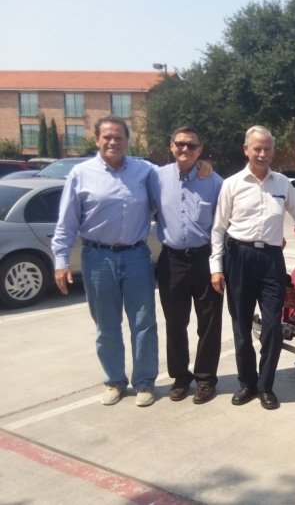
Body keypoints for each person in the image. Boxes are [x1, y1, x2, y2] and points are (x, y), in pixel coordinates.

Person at [210, 125, 295, 410]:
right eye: (257, 148)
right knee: (241, 326)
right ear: (246, 150)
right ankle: (247, 383)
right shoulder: (231, 184)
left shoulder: (282, 184)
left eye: (267, 149)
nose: (262, 153)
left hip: (270, 260)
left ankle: (265, 386)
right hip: (239, 258)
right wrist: (215, 267)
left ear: (273, 151)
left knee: (272, 328)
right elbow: (218, 229)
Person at [52, 116, 159, 407]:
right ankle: (114, 381)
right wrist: (61, 260)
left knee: (144, 322)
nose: (113, 142)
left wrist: (201, 166)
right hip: (97, 258)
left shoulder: (145, 171)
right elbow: (66, 221)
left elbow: (176, 178)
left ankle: (145, 382)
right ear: (97, 139)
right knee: (106, 325)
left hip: (136, 256)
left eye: (119, 137)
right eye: (107, 137)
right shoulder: (81, 173)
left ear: (127, 140)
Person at [149, 127, 224, 404]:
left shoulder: (214, 182)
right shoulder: (156, 178)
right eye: (180, 144)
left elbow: (224, 224)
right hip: (172, 260)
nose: (185, 150)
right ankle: (181, 377)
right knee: (175, 322)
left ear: (200, 150)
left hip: (205, 259)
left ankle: (205, 379)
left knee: (209, 322)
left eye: (192, 146)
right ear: (171, 146)